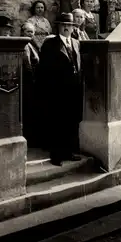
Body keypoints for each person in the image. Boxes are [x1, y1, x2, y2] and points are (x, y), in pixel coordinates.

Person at [38, 13, 82, 166]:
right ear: (58, 26)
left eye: (69, 25)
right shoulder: (50, 44)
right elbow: (43, 69)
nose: (66, 27)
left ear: (72, 28)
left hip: (73, 90)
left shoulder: (76, 43)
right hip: (57, 91)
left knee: (71, 122)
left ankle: (68, 152)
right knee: (57, 123)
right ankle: (56, 156)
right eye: (63, 25)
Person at [20, 22, 40, 148]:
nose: (30, 34)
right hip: (28, 82)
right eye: (28, 31)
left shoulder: (32, 44)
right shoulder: (25, 45)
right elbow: (27, 65)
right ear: (23, 32)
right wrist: (33, 79)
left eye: (32, 32)